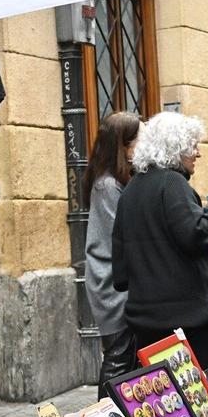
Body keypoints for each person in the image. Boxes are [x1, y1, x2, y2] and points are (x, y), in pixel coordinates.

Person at [111, 110, 208, 365]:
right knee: (199, 401)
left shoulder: (130, 191)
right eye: (192, 146)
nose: (198, 153)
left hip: (146, 326)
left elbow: (121, 275)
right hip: (189, 326)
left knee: (165, 403)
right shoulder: (172, 183)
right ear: (175, 148)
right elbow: (195, 234)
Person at [82, 112, 141, 399]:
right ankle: (107, 415)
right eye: (137, 139)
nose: (142, 145)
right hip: (111, 284)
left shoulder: (116, 181)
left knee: (124, 355)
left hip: (115, 280)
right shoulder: (107, 185)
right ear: (123, 145)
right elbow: (124, 234)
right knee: (118, 356)